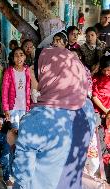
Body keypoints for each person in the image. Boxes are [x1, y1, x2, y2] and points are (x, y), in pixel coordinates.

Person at [12, 47, 96, 189]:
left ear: (49, 77)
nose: (31, 75)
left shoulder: (36, 119)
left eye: (36, 71)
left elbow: (22, 176)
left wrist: (14, 142)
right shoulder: (87, 107)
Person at [92, 52, 110, 182]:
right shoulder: (96, 79)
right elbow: (94, 96)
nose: (107, 73)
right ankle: (102, 169)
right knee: (101, 140)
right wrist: (105, 110)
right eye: (105, 70)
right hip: (99, 112)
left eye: (109, 70)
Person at [2, 47, 31, 129]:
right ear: (13, 58)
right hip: (13, 108)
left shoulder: (28, 70)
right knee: (15, 130)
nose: (19, 57)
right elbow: (4, 91)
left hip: (25, 106)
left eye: (21, 55)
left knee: (25, 129)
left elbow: (31, 89)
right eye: (16, 55)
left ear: (25, 57)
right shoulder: (9, 72)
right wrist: (6, 108)